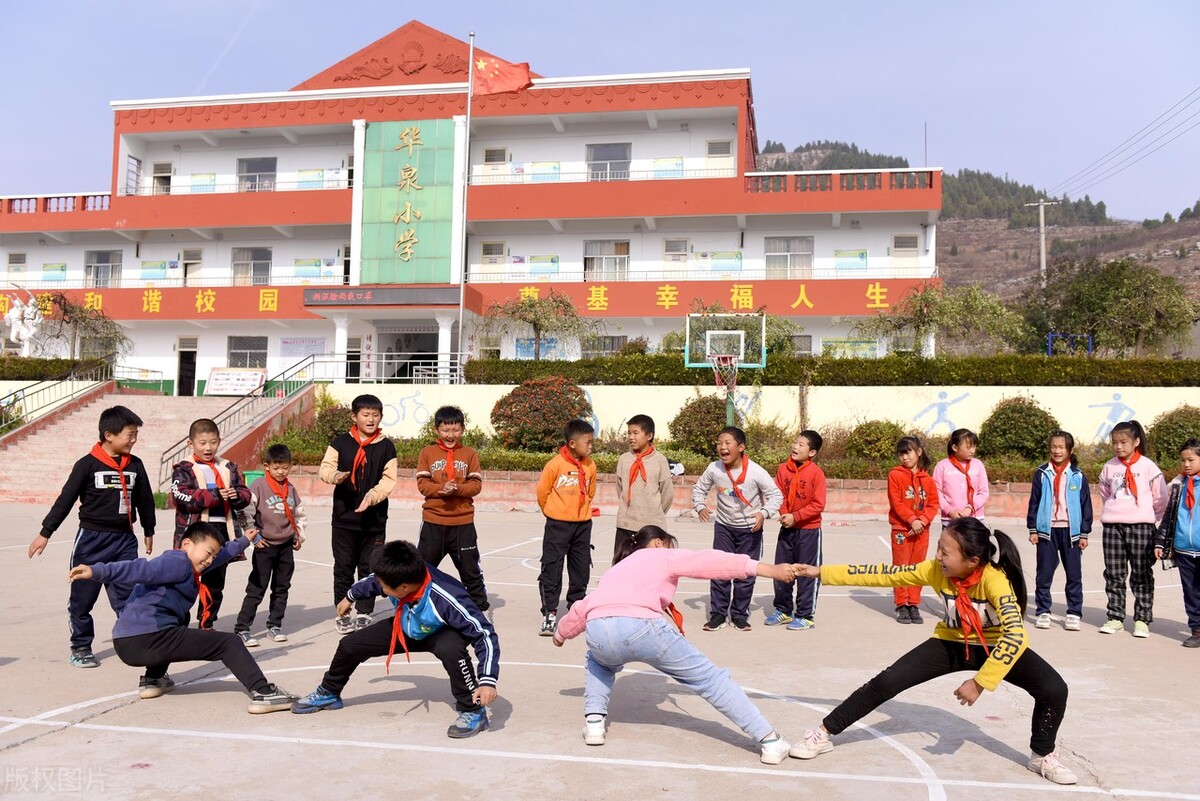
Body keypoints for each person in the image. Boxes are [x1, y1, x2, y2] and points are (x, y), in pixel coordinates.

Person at [786, 517, 1078, 786]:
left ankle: (1042, 755)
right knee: (886, 682)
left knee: (1054, 689)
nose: (938, 556)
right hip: (951, 642)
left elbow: (1015, 634)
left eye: (945, 552)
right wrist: (819, 572)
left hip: (995, 645)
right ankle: (823, 733)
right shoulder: (934, 570)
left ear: (972, 561)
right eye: (939, 548)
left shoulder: (996, 582)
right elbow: (883, 574)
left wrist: (980, 682)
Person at [553, 525, 796, 763]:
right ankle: (769, 740)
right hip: (642, 625)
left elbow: (583, 607)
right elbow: (709, 562)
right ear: (658, 542)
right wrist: (766, 569)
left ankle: (594, 724)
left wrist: (561, 633)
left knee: (599, 661)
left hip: (597, 627)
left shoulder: (615, 570)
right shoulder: (661, 555)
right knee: (710, 679)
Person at [67, 521, 298, 713]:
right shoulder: (176, 561)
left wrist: (244, 540)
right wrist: (97, 571)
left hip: (128, 643)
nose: (209, 560)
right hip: (146, 638)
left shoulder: (189, 565)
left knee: (180, 619)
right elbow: (139, 569)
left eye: (212, 556)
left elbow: (222, 555)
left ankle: (153, 679)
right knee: (229, 643)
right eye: (207, 553)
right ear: (187, 544)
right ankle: (264, 693)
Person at [291, 539, 500, 739]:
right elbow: (373, 581)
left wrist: (487, 680)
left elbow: (484, 634)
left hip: (442, 632)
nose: (381, 588)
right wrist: (350, 596)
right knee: (349, 645)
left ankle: (473, 711)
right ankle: (329, 692)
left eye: (385, 587)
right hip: (407, 624)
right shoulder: (399, 575)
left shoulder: (448, 598)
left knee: (451, 649)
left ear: (404, 587)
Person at [30, 405, 156, 668]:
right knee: (83, 596)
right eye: (129, 435)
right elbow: (65, 500)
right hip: (91, 540)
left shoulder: (136, 465)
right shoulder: (87, 465)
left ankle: (132, 640)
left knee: (127, 594)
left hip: (124, 539)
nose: (133, 440)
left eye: (135, 435)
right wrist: (45, 532)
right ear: (109, 435)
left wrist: (149, 530)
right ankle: (81, 646)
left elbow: (145, 500)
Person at [319, 393, 398, 634]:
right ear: (354, 417)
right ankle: (343, 612)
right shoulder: (340, 443)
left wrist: (372, 496)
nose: (371, 419)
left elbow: (388, 480)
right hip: (344, 519)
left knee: (369, 568)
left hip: (373, 521)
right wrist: (336, 476)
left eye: (375, 415)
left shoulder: (386, 446)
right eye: (366, 415)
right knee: (343, 567)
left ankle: (365, 611)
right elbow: (325, 468)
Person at [692, 426, 783, 632]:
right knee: (719, 570)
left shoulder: (756, 472)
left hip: (749, 530)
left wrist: (763, 514)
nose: (722, 447)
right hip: (723, 527)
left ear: (741, 447)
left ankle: (740, 615)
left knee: (745, 573)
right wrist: (700, 506)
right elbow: (699, 488)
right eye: (719, 443)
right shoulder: (714, 468)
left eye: (727, 443)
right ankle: (718, 614)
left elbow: (776, 495)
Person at [170, 418, 253, 629]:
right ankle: (178, 623)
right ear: (191, 444)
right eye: (203, 443)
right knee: (185, 579)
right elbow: (182, 496)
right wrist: (216, 495)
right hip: (196, 533)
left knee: (215, 582)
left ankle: (207, 623)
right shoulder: (184, 469)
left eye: (213, 442)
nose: (208, 448)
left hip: (221, 531)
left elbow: (245, 493)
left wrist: (236, 495)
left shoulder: (228, 467)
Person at [1097, 420, 1167, 637]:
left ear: (1136, 442)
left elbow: (1160, 498)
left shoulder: (1148, 466)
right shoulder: (1109, 467)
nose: (1118, 446)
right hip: (1113, 528)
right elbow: (1105, 493)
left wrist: (1148, 518)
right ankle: (1115, 617)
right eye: (1114, 442)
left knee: (1141, 573)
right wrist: (1115, 513)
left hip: (1142, 527)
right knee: (1114, 574)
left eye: (1123, 442)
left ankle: (1142, 619)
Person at [416, 406, 488, 614]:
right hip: (434, 522)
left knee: (471, 570)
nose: (450, 435)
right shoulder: (427, 453)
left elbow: (476, 486)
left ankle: (480, 611)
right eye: (446, 430)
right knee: (422, 569)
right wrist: (441, 489)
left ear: (463, 429)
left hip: (462, 524)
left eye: (455, 430)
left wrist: (458, 489)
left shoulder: (469, 454)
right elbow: (422, 485)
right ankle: (416, 608)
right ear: (436, 429)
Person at [233, 443, 307, 646]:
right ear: (267, 466)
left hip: (285, 546)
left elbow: (299, 513)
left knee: (282, 587)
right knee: (257, 588)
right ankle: (242, 628)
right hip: (264, 546)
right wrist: (254, 537)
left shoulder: (290, 488)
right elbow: (244, 512)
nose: (281, 472)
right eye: (276, 468)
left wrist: (299, 534)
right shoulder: (258, 486)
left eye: (285, 467)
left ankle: (274, 625)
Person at [1026, 430, 1092, 632]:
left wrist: (1084, 532)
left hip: (1071, 532)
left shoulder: (1078, 476)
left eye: (1061, 447)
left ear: (1070, 450)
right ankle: (1043, 611)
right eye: (1053, 447)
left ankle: (1073, 613)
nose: (1057, 451)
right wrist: (1033, 528)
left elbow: (1085, 505)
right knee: (1043, 574)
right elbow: (1034, 502)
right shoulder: (1042, 473)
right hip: (1047, 531)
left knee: (1074, 574)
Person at [536, 419, 597, 636]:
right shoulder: (555, 465)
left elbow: (590, 493)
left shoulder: (590, 465)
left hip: (582, 525)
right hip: (557, 525)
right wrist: (554, 512)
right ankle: (550, 613)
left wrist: (580, 513)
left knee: (580, 569)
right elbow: (542, 493)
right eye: (587, 442)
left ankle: (576, 610)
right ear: (572, 443)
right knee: (552, 568)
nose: (591, 446)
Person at [766, 430, 826, 630]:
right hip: (787, 528)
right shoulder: (784, 469)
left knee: (806, 573)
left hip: (809, 531)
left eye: (801, 445)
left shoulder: (816, 473)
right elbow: (778, 494)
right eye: (795, 442)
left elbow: (818, 504)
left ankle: (805, 614)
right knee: (782, 569)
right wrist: (784, 514)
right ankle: (783, 610)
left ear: (812, 452)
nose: (795, 447)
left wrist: (796, 517)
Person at [887, 435, 940, 624]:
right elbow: (897, 502)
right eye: (901, 454)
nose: (905, 458)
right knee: (901, 566)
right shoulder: (895, 475)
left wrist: (923, 521)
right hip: (902, 529)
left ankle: (913, 603)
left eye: (908, 452)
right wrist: (912, 520)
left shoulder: (928, 479)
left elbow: (933, 504)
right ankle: (901, 604)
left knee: (917, 567)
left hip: (922, 531)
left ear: (919, 452)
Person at [1153, 438, 1200, 648]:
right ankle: (1197, 630)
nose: (1186, 464)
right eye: (1183, 460)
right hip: (1184, 549)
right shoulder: (1178, 486)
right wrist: (1160, 543)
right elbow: (1169, 516)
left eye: (1191, 459)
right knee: (1190, 592)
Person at [613, 414, 674, 563]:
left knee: (650, 568)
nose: (631, 437)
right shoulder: (624, 459)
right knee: (622, 566)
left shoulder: (659, 460)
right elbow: (620, 487)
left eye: (635, 433)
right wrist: (628, 508)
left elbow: (667, 493)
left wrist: (655, 513)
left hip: (651, 527)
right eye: (629, 433)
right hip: (626, 524)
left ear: (649, 436)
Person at [932, 428, 989, 526]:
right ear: (955, 447)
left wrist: (970, 508)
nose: (972, 451)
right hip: (950, 520)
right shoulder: (942, 466)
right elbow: (936, 492)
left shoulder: (978, 465)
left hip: (975, 519)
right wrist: (949, 511)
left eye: (974, 447)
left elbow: (983, 492)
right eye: (968, 447)